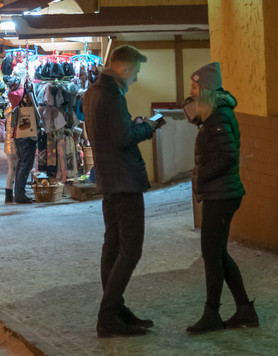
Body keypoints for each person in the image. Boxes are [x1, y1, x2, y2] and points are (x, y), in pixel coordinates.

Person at [84, 45, 165, 338]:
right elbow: (123, 138)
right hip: (124, 181)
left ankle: (116, 309)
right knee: (131, 249)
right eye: (136, 74)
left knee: (114, 245)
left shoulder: (93, 92)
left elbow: (109, 133)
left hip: (108, 179)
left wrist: (132, 124)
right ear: (125, 69)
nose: (136, 80)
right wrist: (149, 126)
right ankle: (108, 315)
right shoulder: (113, 95)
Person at [183, 63, 257, 334]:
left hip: (222, 194)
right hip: (220, 192)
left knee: (211, 254)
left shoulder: (218, 118)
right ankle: (244, 310)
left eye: (195, 87)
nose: (190, 92)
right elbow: (191, 112)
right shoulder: (212, 115)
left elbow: (227, 157)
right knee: (217, 253)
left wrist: (202, 177)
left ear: (207, 90)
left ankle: (213, 313)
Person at [8, 88, 41, 204]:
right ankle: (19, 195)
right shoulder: (19, 95)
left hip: (19, 135)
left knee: (21, 163)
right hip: (27, 136)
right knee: (25, 165)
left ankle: (18, 193)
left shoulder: (16, 99)